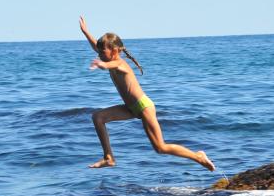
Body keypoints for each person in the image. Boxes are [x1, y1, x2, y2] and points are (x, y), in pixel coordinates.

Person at [79, 16, 215, 171]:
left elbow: (110, 64)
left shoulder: (120, 64)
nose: (99, 55)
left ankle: (198, 156)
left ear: (115, 51)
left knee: (160, 147)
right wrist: (85, 32)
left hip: (144, 107)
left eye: (102, 52)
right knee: (98, 117)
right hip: (130, 108)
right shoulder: (107, 56)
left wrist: (101, 64)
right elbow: (96, 47)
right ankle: (109, 157)